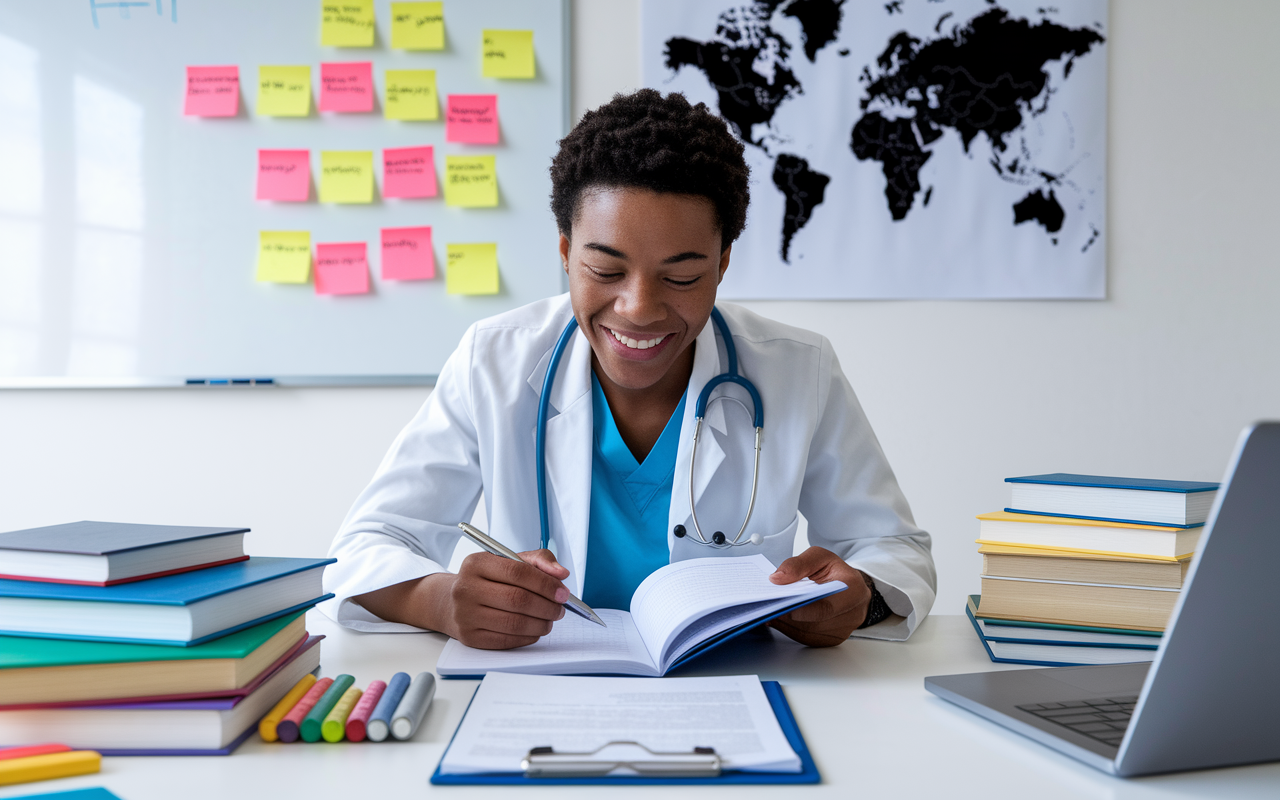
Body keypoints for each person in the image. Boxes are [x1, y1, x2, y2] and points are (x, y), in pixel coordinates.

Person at [320, 89, 935, 649]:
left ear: (723, 264)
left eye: (683, 276)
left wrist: (857, 600)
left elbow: (894, 551)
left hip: (740, 687)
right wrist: (440, 603)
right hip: (542, 690)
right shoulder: (495, 360)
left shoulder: (798, 370)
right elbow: (363, 549)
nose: (638, 308)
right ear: (565, 251)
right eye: (606, 271)